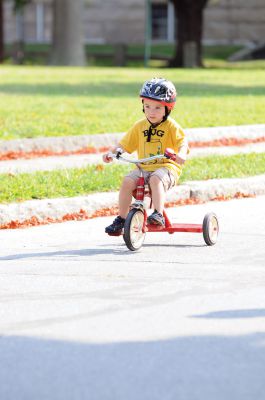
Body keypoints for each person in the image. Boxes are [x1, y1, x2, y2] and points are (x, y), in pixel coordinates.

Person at [103, 77, 189, 234]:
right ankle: (121, 219)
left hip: (167, 168)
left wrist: (181, 154)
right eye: (147, 106)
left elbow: (183, 143)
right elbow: (124, 144)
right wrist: (112, 152)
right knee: (127, 181)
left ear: (168, 109)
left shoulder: (172, 127)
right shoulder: (139, 126)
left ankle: (158, 213)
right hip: (144, 167)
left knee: (156, 179)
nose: (151, 112)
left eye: (157, 108)